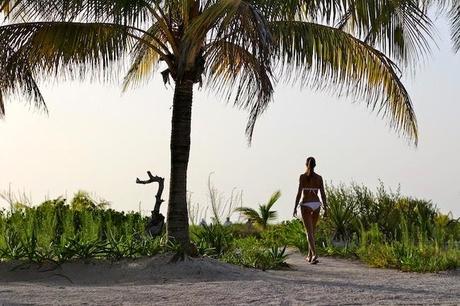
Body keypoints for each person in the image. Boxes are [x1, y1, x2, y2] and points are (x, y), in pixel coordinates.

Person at [293, 157, 328, 264]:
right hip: (317, 204)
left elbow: (299, 193)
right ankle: (309, 256)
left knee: (309, 232)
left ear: (306, 164)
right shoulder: (319, 178)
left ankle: (314, 253)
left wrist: (295, 207)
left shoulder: (302, 177)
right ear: (315, 165)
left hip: (306, 205)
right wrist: (326, 208)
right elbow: (322, 194)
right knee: (312, 232)